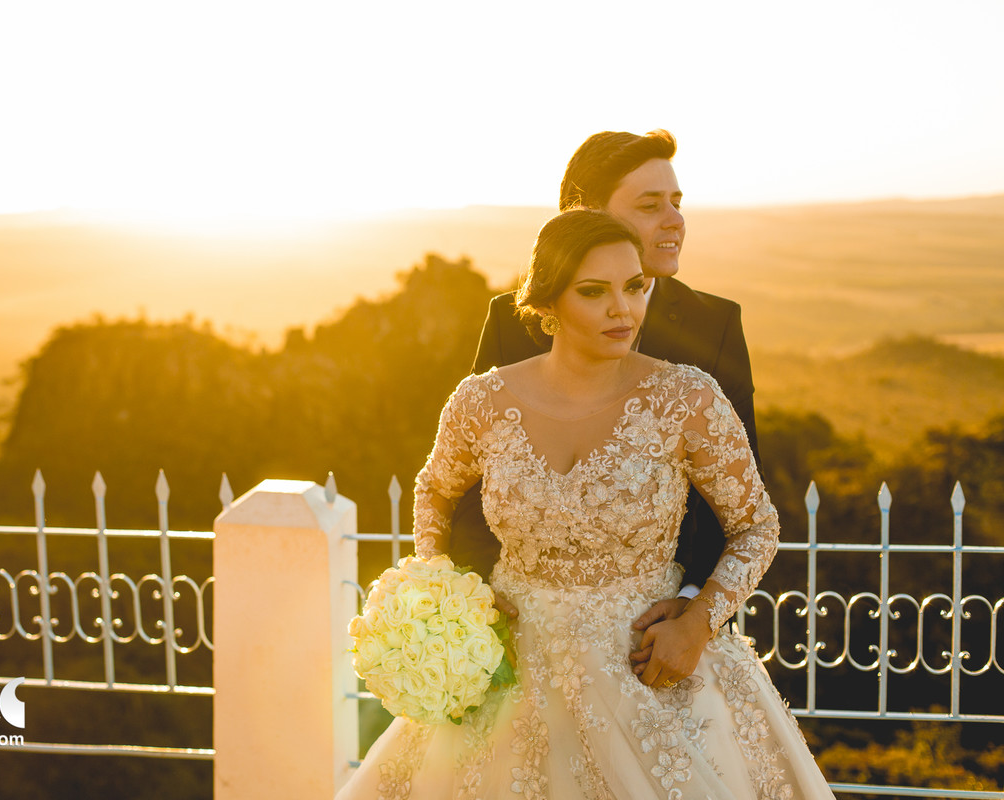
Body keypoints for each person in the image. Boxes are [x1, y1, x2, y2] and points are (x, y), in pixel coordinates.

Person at [337, 210, 834, 799]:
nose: (622, 309)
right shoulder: (482, 402)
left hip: (647, 669)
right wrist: (449, 594)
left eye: (635, 286)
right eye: (593, 292)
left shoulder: (688, 399)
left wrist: (699, 621)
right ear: (547, 303)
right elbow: (434, 492)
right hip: (510, 671)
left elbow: (756, 526)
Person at [449, 131, 758, 664]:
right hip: (519, 637)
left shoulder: (716, 326)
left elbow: (741, 499)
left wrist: (693, 611)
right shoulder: (512, 319)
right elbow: (469, 475)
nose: (675, 221)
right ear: (586, 214)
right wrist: (476, 594)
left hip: (658, 640)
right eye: (649, 205)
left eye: (677, 203)